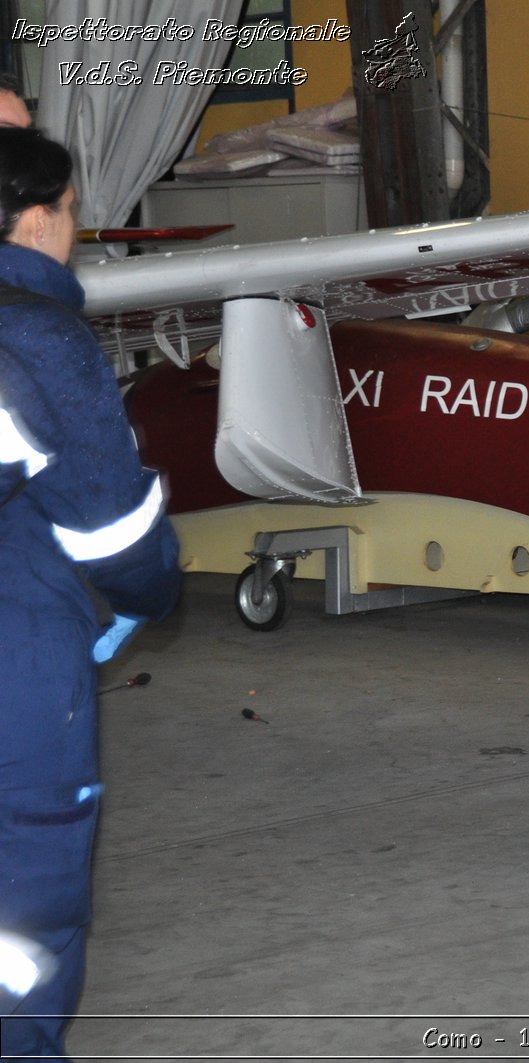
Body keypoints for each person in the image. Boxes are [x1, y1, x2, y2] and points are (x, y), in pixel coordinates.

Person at [0, 127, 181, 1059]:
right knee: (22, 933)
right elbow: (114, 533)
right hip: (13, 681)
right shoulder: (34, 331)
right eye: (72, 210)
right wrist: (153, 592)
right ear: (38, 218)